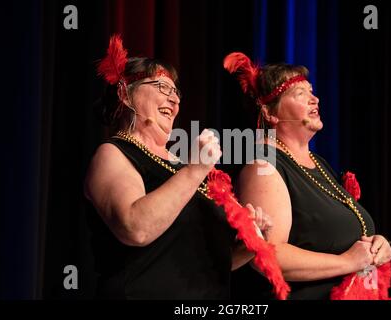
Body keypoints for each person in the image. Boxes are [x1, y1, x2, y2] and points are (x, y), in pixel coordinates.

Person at [84, 36, 271, 299]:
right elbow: (135, 228)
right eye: (162, 87)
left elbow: (209, 263)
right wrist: (196, 170)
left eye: (176, 92)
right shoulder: (113, 154)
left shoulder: (182, 166)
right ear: (125, 94)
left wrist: (250, 245)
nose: (174, 100)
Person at [224, 52, 391, 300]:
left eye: (311, 91)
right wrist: (348, 262)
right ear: (271, 114)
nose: (314, 99)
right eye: (300, 94)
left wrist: (378, 246)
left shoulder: (319, 164)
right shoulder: (263, 167)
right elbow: (268, 255)